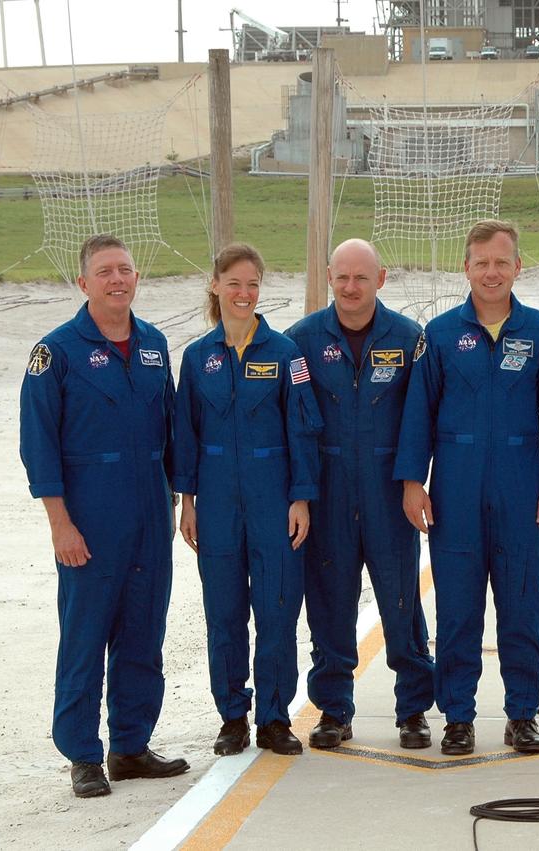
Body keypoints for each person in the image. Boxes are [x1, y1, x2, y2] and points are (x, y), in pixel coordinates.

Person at [394, 219, 539, 756]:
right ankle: (458, 716)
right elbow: (417, 414)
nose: (492, 272)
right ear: (466, 268)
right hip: (455, 483)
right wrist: (412, 481)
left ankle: (522, 715)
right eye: (482, 263)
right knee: (458, 608)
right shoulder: (441, 334)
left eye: (502, 262)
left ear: (518, 267)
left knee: (523, 605)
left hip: (522, 484)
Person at [20, 234, 188, 798]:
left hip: (149, 512)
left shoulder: (153, 345)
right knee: (86, 636)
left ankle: (130, 746)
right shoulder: (56, 352)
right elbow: (38, 444)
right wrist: (59, 523)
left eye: (125, 269)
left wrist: (182, 501)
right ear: (83, 282)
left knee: (144, 632)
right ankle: (83, 755)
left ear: (137, 277)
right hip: (89, 516)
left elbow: (171, 433)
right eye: (105, 271)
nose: (117, 280)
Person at [286, 239, 436, 750]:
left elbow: (421, 421)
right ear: (329, 276)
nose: (351, 288)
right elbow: (294, 426)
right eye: (342, 277)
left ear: (382, 279)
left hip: (387, 491)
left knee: (400, 598)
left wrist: (415, 480)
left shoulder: (410, 339)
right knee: (329, 601)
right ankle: (333, 709)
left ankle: (413, 709)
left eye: (362, 278)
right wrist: (300, 493)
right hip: (327, 491)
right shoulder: (301, 341)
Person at [174, 243, 323, 757]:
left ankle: (275, 718)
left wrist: (301, 498)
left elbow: (303, 430)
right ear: (215, 286)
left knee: (279, 609)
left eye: (253, 284)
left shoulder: (286, 354)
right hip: (215, 501)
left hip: (273, 498)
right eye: (234, 283)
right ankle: (232, 715)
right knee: (225, 612)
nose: (244, 293)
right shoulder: (196, 359)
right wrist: (186, 499)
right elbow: (185, 434)